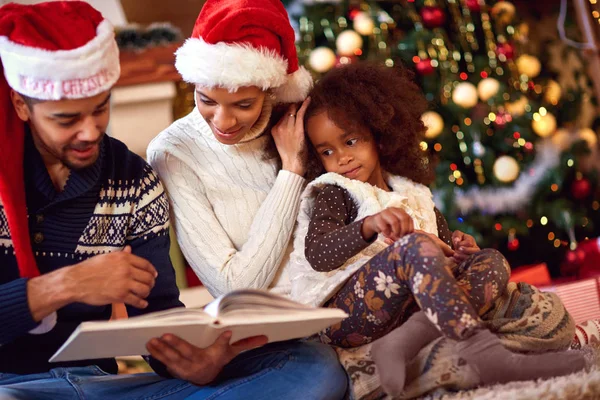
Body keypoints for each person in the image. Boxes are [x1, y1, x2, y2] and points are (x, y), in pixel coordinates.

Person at [0, 2, 346, 399]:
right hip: (9, 386)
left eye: (100, 110)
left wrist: (193, 362)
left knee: (312, 368)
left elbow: (157, 315)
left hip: (101, 386)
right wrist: (65, 285)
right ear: (21, 105)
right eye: (66, 119)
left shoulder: (132, 179)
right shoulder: (174, 151)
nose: (90, 132)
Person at [287, 62, 587, 396]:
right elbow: (318, 254)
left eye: (351, 141)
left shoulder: (413, 194)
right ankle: (486, 356)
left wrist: (461, 249)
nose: (341, 158)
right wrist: (368, 225)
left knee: (491, 260)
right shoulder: (335, 190)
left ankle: (407, 340)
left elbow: (445, 255)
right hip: (345, 315)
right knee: (414, 246)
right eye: (327, 151)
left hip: (407, 313)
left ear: (379, 134)